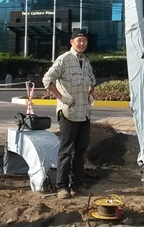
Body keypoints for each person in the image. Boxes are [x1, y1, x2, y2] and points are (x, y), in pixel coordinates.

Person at [43, 28, 96, 199]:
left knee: (81, 151)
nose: (82, 43)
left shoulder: (86, 61)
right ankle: (62, 187)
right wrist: (61, 97)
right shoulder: (64, 60)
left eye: (85, 40)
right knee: (66, 151)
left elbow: (91, 80)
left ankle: (78, 184)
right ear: (71, 42)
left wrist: (90, 92)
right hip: (69, 113)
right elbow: (47, 79)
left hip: (84, 113)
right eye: (78, 40)